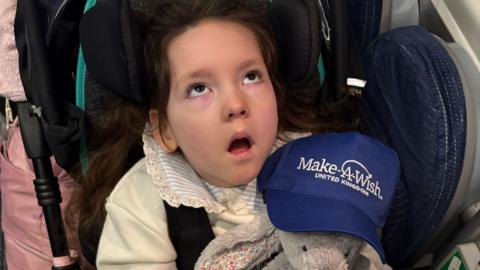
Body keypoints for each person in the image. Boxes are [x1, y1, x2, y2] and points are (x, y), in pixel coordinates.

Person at [66, 0, 371, 269]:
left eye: (251, 76)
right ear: (165, 129)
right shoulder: (141, 203)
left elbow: (356, 249)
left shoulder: (317, 167)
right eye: (199, 88)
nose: (235, 105)